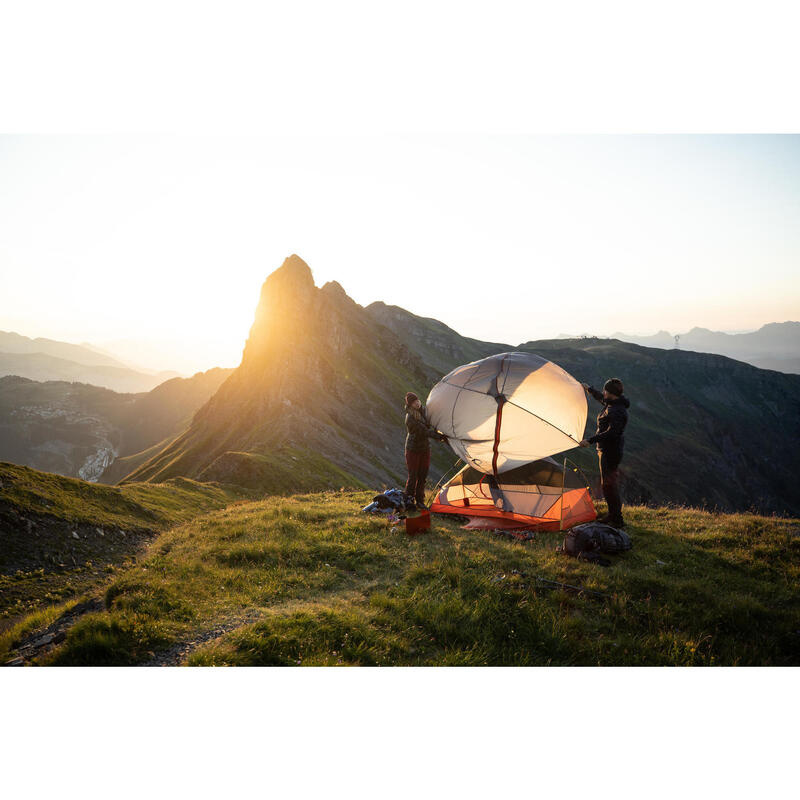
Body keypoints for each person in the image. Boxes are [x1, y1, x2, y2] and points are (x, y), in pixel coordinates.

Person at [579, 378, 630, 528]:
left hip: (610, 451)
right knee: (608, 484)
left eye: (605, 391)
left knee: (609, 485)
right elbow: (602, 399)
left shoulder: (617, 411)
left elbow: (612, 432)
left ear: (612, 394)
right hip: (607, 450)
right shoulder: (614, 403)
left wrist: (590, 440)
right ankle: (613, 515)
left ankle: (616, 519)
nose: (603, 393)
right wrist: (589, 389)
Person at [403, 391, 445, 507]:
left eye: (417, 401)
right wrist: (440, 437)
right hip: (413, 450)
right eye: (414, 402)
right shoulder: (410, 418)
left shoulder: (424, 412)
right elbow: (424, 431)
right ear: (410, 405)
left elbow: (432, 420)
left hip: (424, 449)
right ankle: (409, 500)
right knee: (413, 476)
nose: (417, 403)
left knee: (422, 475)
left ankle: (420, 501)